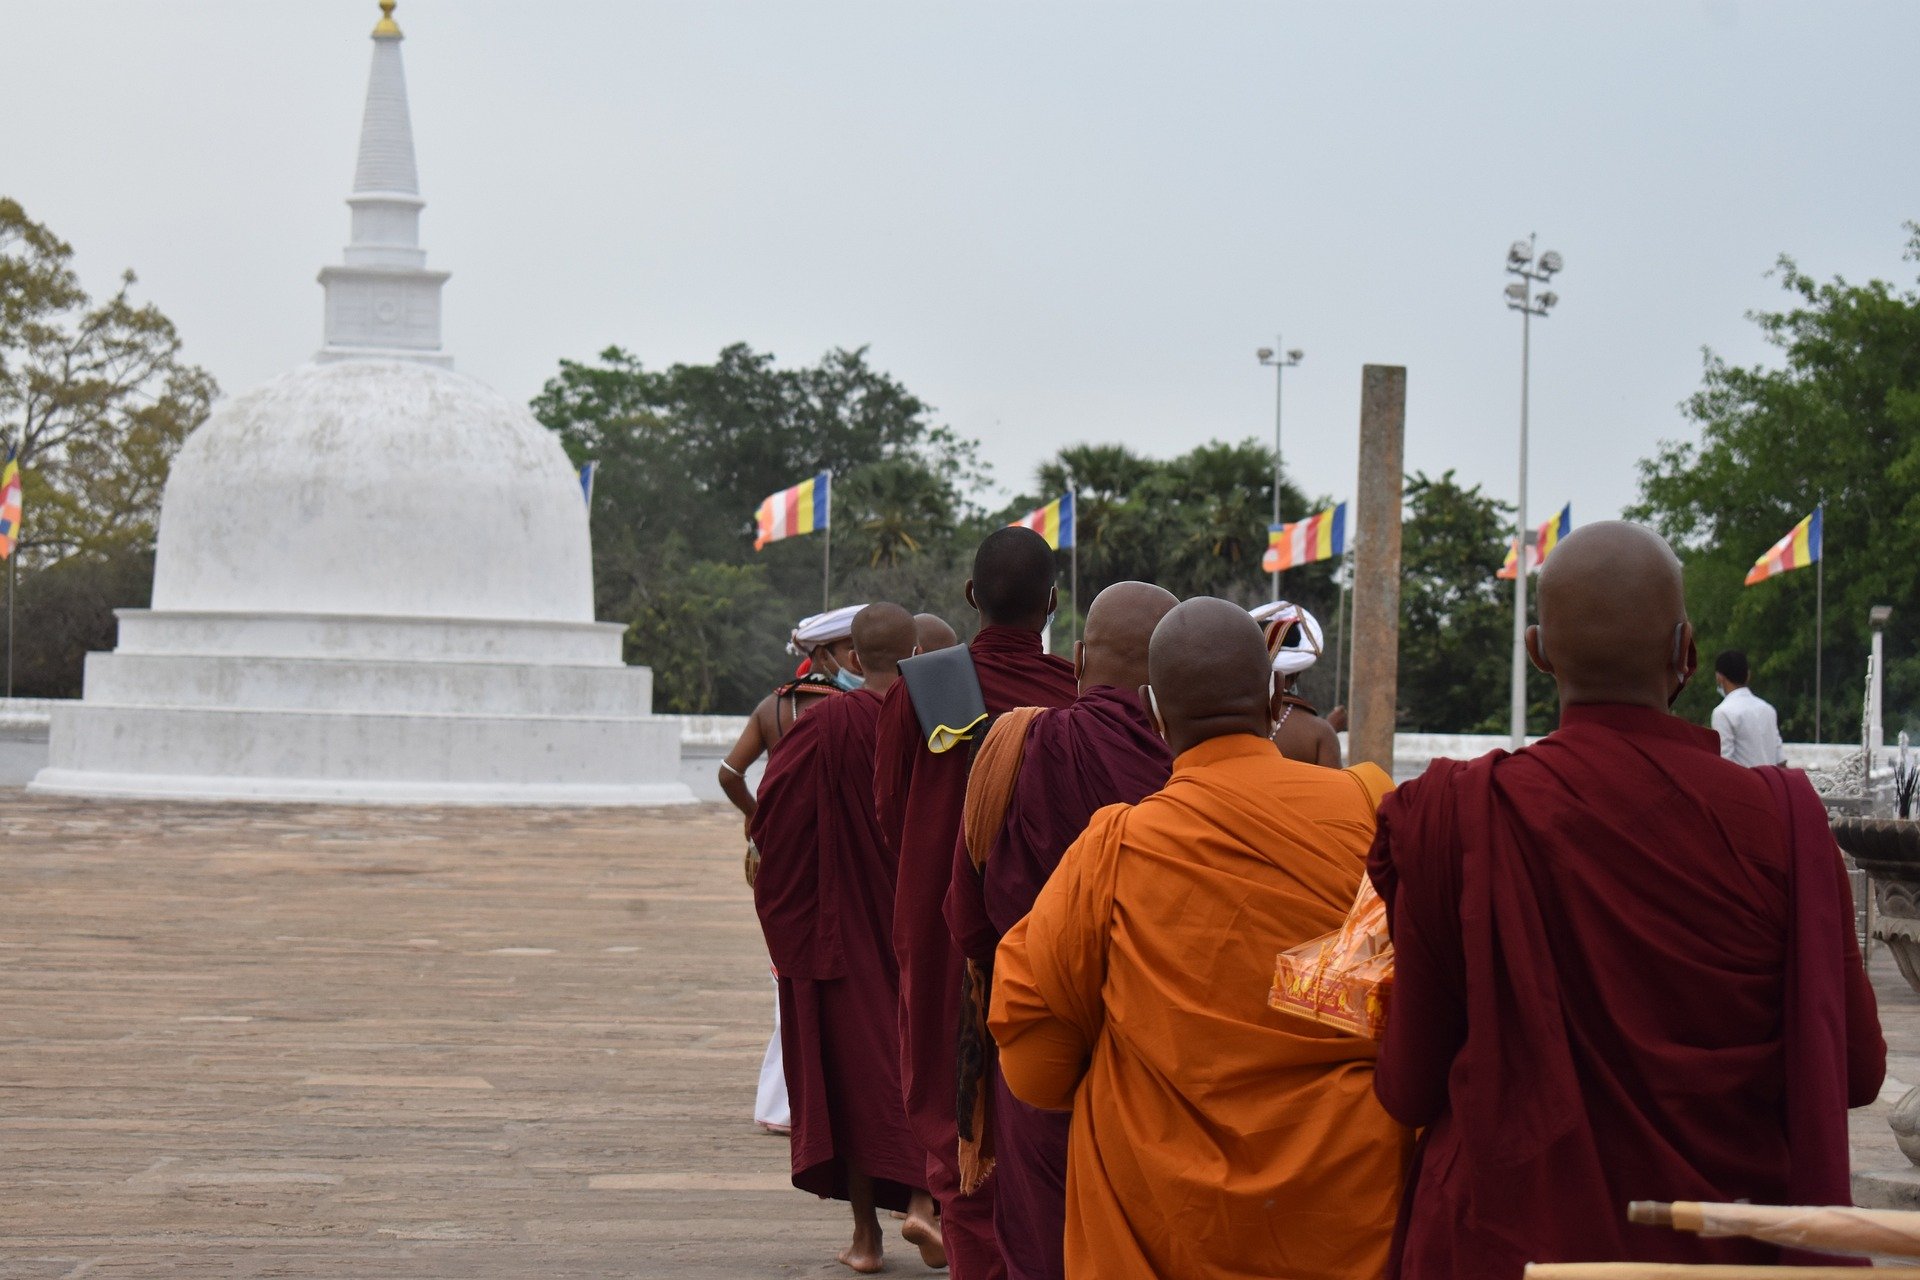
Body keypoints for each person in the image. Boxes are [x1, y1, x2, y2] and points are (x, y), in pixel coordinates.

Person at [1368, 522, 1885, 1278]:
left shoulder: (1464, 816)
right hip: (1725, 1245)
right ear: (1687, 651)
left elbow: (1409, 1089)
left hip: (1509, 1247)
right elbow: (1859, 1071)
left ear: (1538, 652)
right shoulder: (1781, 822)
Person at [990, 597, 1409, 1280]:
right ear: (1276, 695)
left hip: (1163, 1219)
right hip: (1347, 1211)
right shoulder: (1370, 811)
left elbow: (1034, 1064)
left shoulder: (1115, 848)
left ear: (1154, 712)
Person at [944, 581, 1177, 1280]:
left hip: (1038, 1044)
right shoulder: (1182, 776)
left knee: (1043, 1241)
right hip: (1159, 1056)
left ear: (1077, 660)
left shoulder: (1015, 748)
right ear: (1168, 684)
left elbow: (968, 916)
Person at [875, 527, 1078, 1280]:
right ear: (1053, 603)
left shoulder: (919, 692)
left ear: (970, 596)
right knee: (1041, 1120)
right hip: (1044, 935)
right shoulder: (1074, 699)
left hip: (942, 938)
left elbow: (891, 816)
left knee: (959, 1130)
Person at [751, 604, 945, 1273]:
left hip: (846, 933)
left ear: (853, 660)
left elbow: (771, 826)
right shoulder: (941, 720)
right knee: (928, 1067)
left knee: (855, 1080)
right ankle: (924, 1200)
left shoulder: (823, 724)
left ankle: (867, 1241)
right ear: (917, 652)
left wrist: (790, 919)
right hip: (926, 929)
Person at [716, 603, 866, 1137]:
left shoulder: (774, 709)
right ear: (824, 653)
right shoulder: (853, 709)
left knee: (789, 973)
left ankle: (784, 1101)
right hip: (836, 857)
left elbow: (730, 772)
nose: (859, 657)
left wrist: (759, 817)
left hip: (781, 858)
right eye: (851, 648)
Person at [1251, 600, 1341, 767]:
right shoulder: (1319, 733)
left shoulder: (1221, 718)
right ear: (1298, 672)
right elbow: (1334, 791)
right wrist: (1330, 729)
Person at [1711, 648, 1786, 767]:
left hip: (1744, 783)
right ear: (1748, 675)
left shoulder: (1722, 713)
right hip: (1771, 782)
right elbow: (1781, 761)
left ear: (1719, 677)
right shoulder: (1768, 709)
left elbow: (1724, 764)